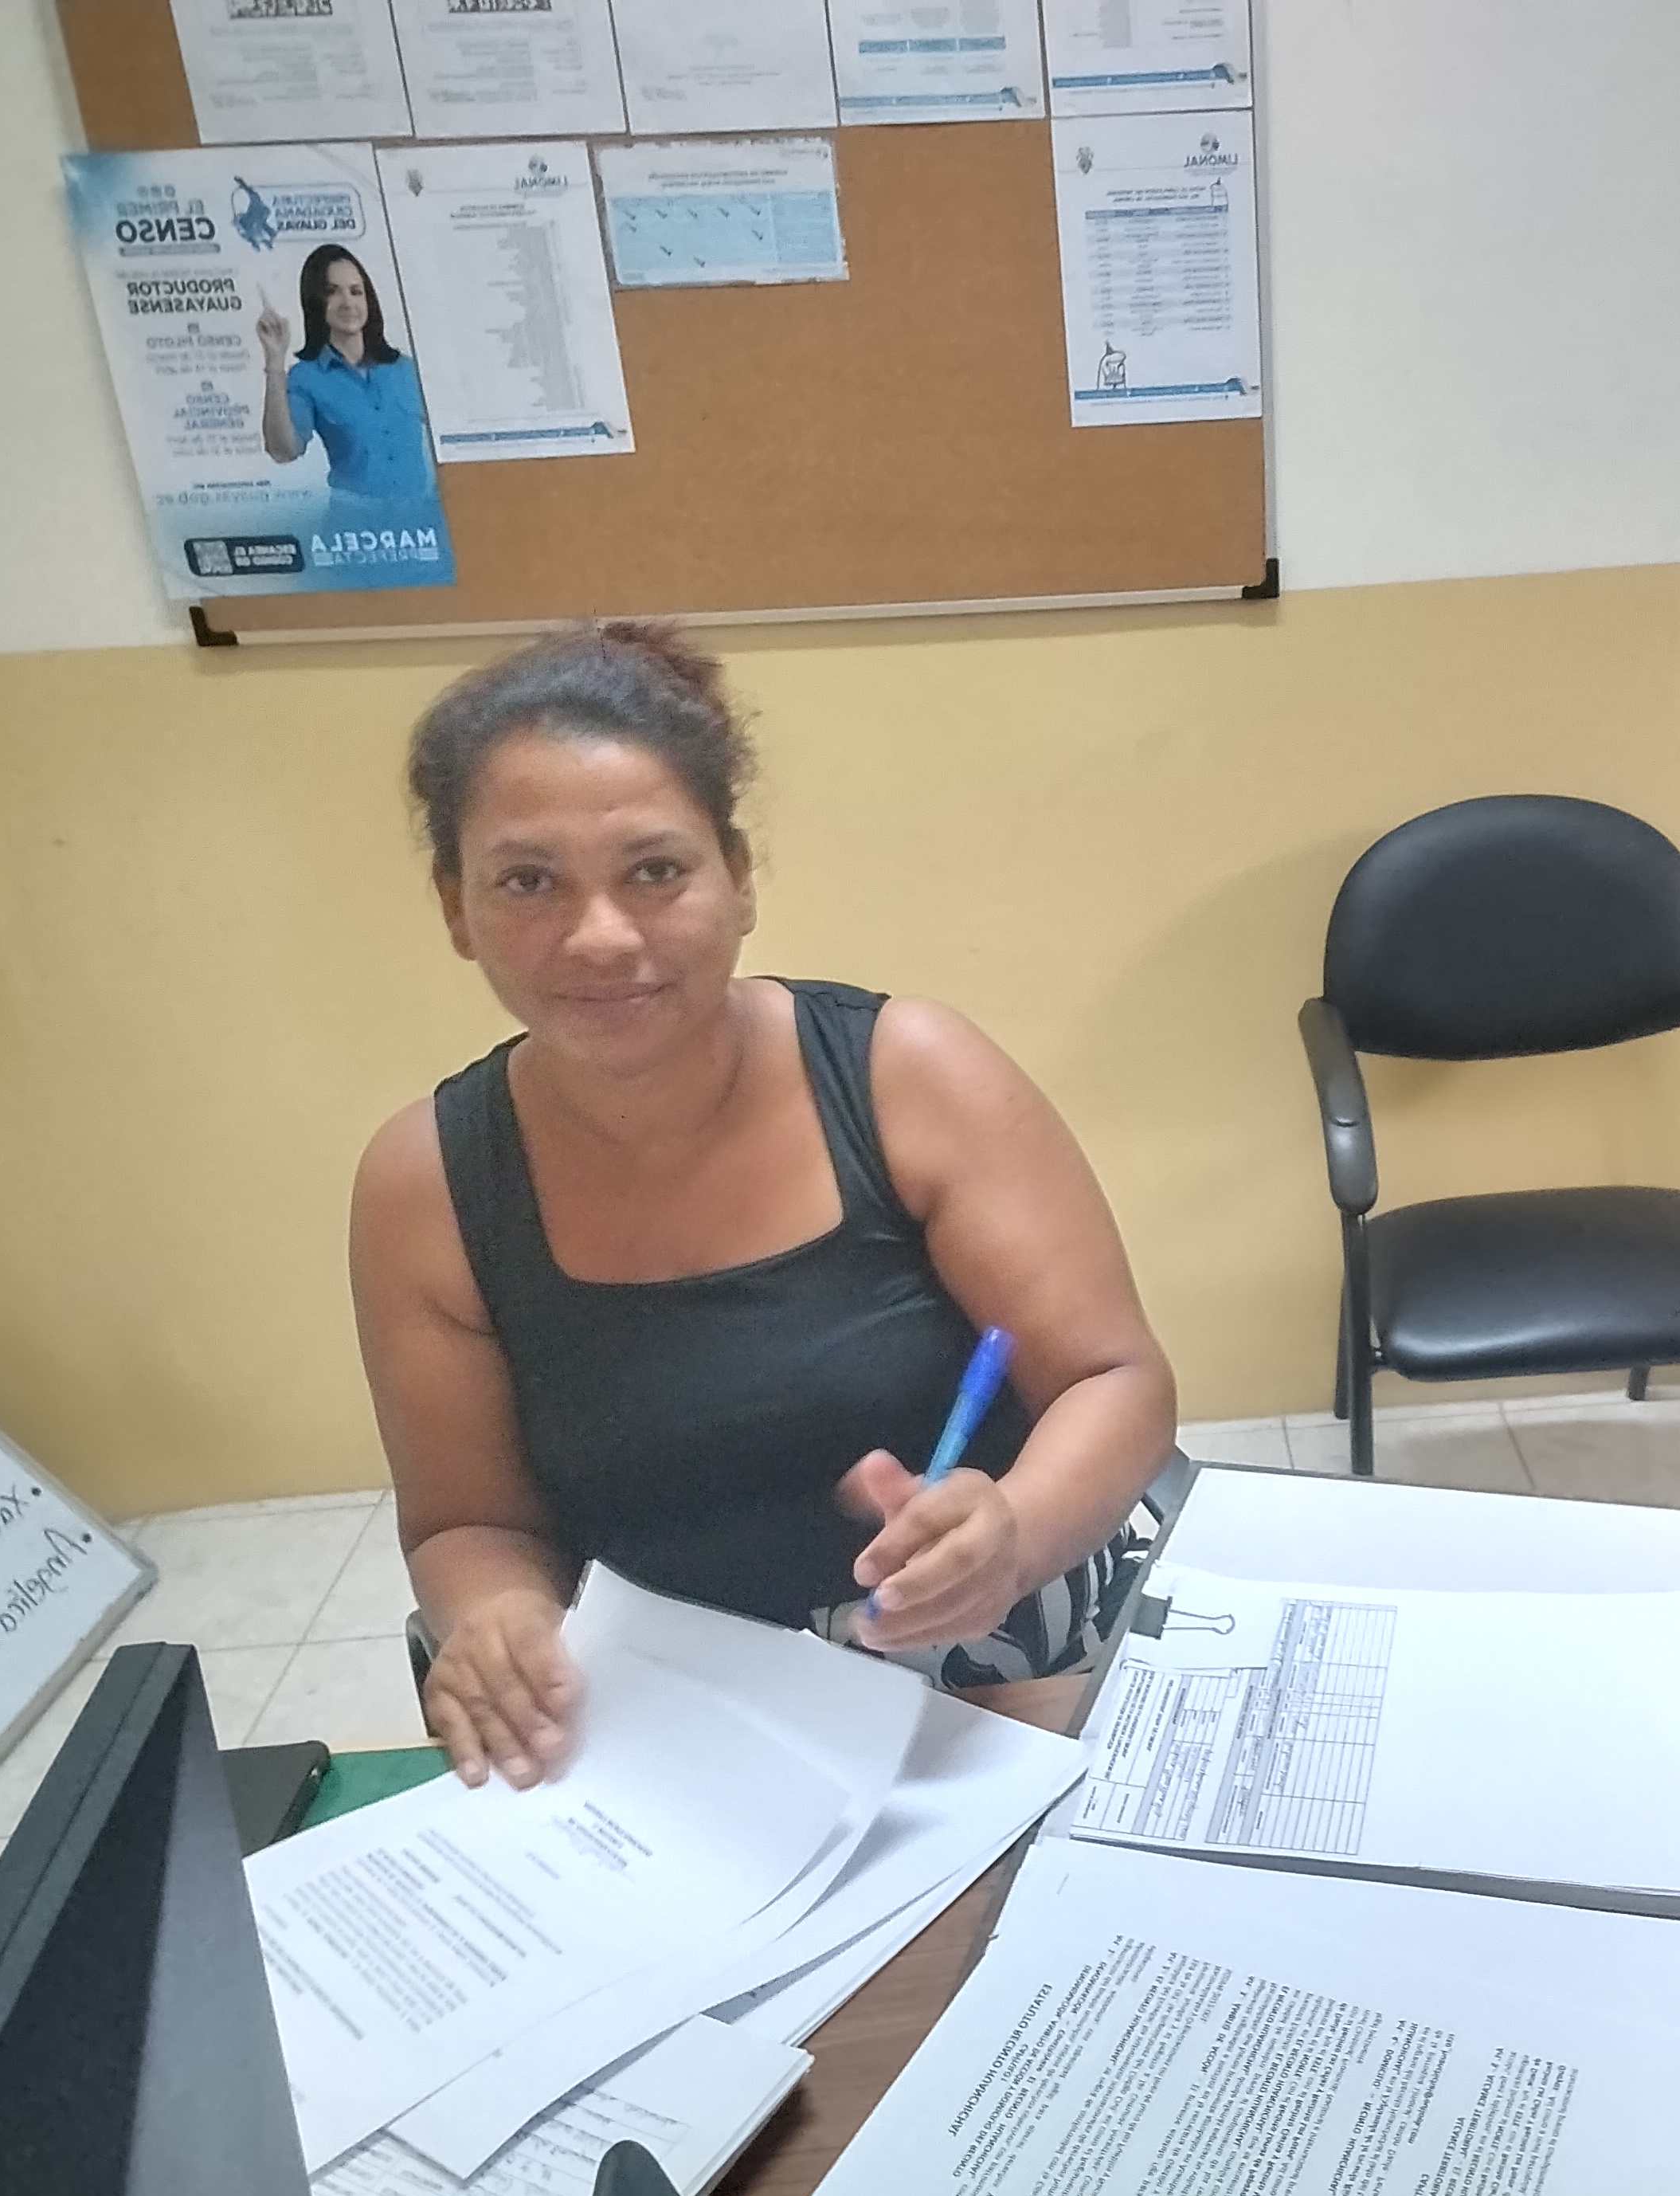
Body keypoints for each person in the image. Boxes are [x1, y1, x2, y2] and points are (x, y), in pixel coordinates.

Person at [350, 624, 1177, 1790]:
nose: (601, 936)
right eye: (528, 882)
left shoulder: (908, 1076)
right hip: (684, 1725)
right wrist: (496, 1616)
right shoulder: (426, 1183)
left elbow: (1112, 1378)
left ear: (737, 877)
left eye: (655, 870)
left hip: (1001, 1668)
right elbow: (464, 1521)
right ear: (456, 907)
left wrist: (1015, 1530)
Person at [257, 241, 436, 521]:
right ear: (316, 302)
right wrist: (275, 362)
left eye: (356, 291)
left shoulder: (405, 369)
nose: (348, 303)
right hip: (354, 525)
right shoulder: (307, 377)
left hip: (420, 523)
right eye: (332, 292)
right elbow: (283, 451)